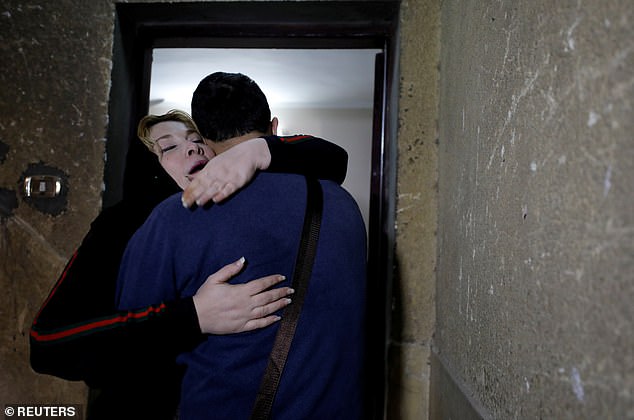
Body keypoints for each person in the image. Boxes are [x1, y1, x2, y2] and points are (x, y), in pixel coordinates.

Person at [30, 110, 349, 419]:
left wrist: (257, 150)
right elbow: (47, 343)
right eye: (169, 146)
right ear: (149, 168)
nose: (193, 147)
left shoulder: (235, 210)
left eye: (197, 139)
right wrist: (194, 315)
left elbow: (332, 158)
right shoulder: (121, 226)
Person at [116, 72, 367, 419]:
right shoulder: (344, 205)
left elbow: (130, 350)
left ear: (203, 140)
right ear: (274, 126)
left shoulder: (177, 216)